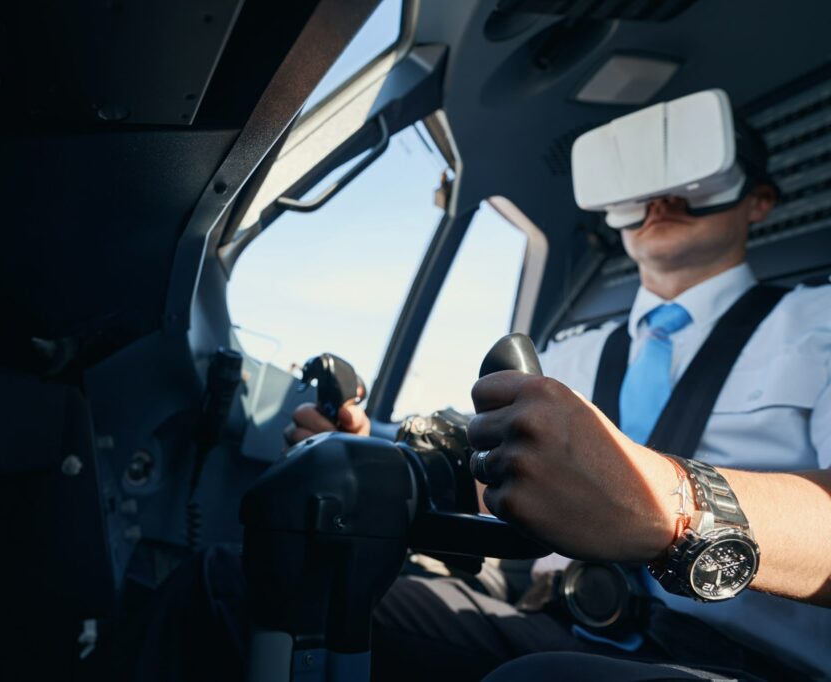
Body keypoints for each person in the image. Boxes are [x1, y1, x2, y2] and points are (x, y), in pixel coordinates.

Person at [287, 123, 831, 679]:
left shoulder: (821, 324)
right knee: (274, 591)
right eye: (641, 187)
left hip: (745, 659)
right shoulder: (569, 354)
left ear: (758, 199)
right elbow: (500, 479)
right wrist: (373, 468)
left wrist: (667, 507)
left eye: (696, 179)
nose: (661, 201)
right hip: (556, 616)